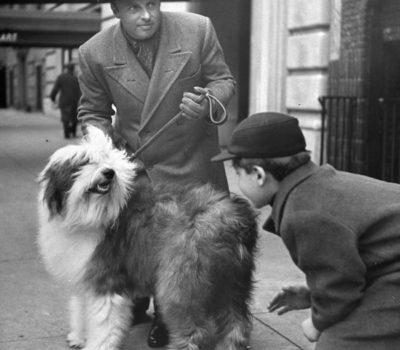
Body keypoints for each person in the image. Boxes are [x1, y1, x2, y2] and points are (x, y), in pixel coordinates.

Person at [77, 0, 236, 347]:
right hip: (137, 166)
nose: (146, 15)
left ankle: (171, 315)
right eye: (134, 7)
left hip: (190, 160)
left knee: (182, 249)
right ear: (116, 10)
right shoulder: (93, 52)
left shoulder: (198, 29)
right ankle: (137, 299)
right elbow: (93, 111)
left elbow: (223, 79)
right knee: (138, 238)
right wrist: (101, 151)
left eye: (151, 4)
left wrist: (208, 101)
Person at [211, 112, 400, 350]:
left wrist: (317, 322)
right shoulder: (315, 186)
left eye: (238, 173)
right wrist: (316, 294)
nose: (237, 181)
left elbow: (342, 289)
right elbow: (352, 265)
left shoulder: (302, 214)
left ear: (258, 175)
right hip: (391, 266)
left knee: (336, 344)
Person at [50, 62, 81, 139]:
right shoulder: (76, 78)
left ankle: (66, 133)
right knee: (74, 117)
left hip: (64, 101)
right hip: (74, 101)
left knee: (65, 118)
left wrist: (52, 97)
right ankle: (73, 132)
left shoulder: (61, 77)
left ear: (66, 69)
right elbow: (80, 90)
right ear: (73, 69)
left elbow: (55, 89)